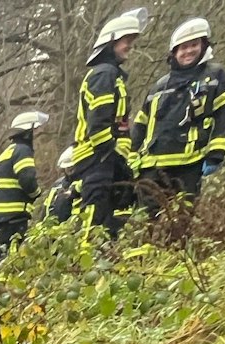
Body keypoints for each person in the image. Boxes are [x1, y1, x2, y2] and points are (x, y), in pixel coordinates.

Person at [134, 17, 225, 221]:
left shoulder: (214, 76)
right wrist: (131, 157)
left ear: (204, 45)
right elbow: (140, 125)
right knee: (150, 222)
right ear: (174, 52)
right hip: (151, 167)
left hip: (188, 164)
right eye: (183, 48)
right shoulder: (159, 86)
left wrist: (216, 153)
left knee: (181, 220)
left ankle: (177, 252)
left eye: (193, 45)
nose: (188, 51)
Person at [72, 9, 146, 238]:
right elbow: (98, 124)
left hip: (106, 158)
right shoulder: (103, 74)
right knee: (94, 218)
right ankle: (86, 268)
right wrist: (109, 154)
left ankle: (104, 263)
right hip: (97, 157)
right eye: (126, 41)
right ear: (112, 41)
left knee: (108, 220)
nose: (129, 47)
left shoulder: (111, 75)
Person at [0, 111, 49, 260]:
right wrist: (36, 193)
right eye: (35, 130)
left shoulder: (4, 154)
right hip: (15, 217)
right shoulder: (23, 150)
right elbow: (27, 179)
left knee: (2, 261)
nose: (36, 135)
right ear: (28, 132)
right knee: (13, 260)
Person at [46, 146, 79, 223]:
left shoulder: (83, 184)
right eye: (68, 167)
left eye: (72, 167)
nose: (70, 169)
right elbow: (48, 207)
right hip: (57, 229)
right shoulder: (57, 185)